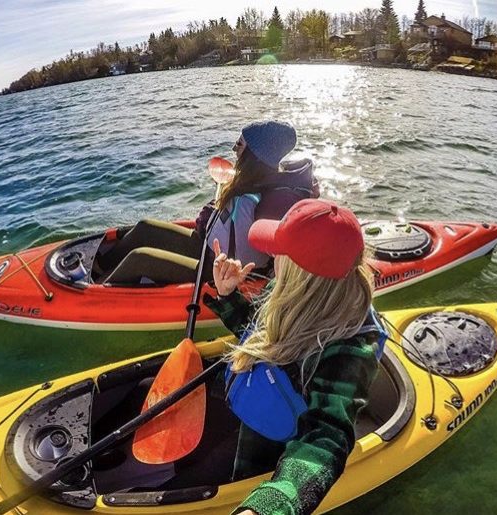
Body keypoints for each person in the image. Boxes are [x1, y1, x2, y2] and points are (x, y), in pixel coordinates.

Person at [203, 198, 382, 515]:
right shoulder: (293, 294)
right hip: (245, 405)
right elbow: (258, 335)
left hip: (268, 451)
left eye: (278, 251)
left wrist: (271, 505)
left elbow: (325, 440)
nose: (271, 255)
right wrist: (229, 295)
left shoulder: (351, 349)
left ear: (302, 274)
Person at [97, 121, 318, 285]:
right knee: (146, 228)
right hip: (208, 247)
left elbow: (285, 255)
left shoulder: (276, 201)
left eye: (239, 144)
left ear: (254, 154)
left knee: (141, 258)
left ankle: (96, 294)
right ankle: (99, 269)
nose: (234, 148)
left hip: (223, 273)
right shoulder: (254, 180)